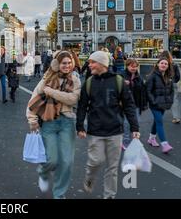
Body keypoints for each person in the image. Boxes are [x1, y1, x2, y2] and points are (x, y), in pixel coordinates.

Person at [76, 51, 139, 199]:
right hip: (95, 130)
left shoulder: (118, 81)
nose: (89, 64)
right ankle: (89, 177)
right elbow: (82, 106)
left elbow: (129, 105)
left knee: (112, 168)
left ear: (102, 64)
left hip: (115, 131)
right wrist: (79, 126)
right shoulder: (89, 83)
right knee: (95, 161)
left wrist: (134, 128)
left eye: (92, 62)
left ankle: (109, 195)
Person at [26, 51, 81, 199]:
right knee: (51, 160)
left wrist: (51, 92)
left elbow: (73, 99)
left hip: (67, 123)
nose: (67, 66)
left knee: (67, 162)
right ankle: (43, 172)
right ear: (56, 64)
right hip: (49, 122)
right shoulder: (47, 78)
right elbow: (33, 100)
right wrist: (32, 120)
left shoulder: (75, 79)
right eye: (64, 63)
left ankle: (59, 194)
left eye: (69, 63)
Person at [146, 58, 175, 153]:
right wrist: (153, 101)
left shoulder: (169, 77)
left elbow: (171, 91)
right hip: (155, 104)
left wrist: (170, 100)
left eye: (166, 64)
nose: (164, 65)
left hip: (164, 103)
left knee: (156, 121)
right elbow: (148, 90)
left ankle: (151, 138)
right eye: (162, 63)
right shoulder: (152, 76)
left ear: (168, 66)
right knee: (159, 121)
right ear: (158, 64)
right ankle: (164, 144)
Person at [121, 59, 147, 149]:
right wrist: (123, 84)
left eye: (135, 66)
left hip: (136, 103)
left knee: (136, 123)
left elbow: (142, 92)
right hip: (125, 104)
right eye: (132, 66)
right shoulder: (121, 75)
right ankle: (125, 141)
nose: (134, 68)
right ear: (127, 66)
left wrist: (143, 104)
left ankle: (134, 141)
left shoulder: (138, 77)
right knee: (126, 123)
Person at [159, 50, 181, 124]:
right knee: (174, 100)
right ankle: (176, 117)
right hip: (172, 83)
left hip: (162, 84)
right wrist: (174, 81)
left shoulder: (160, 64)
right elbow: (178, 76)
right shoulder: (174, 64)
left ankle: (159, 116)